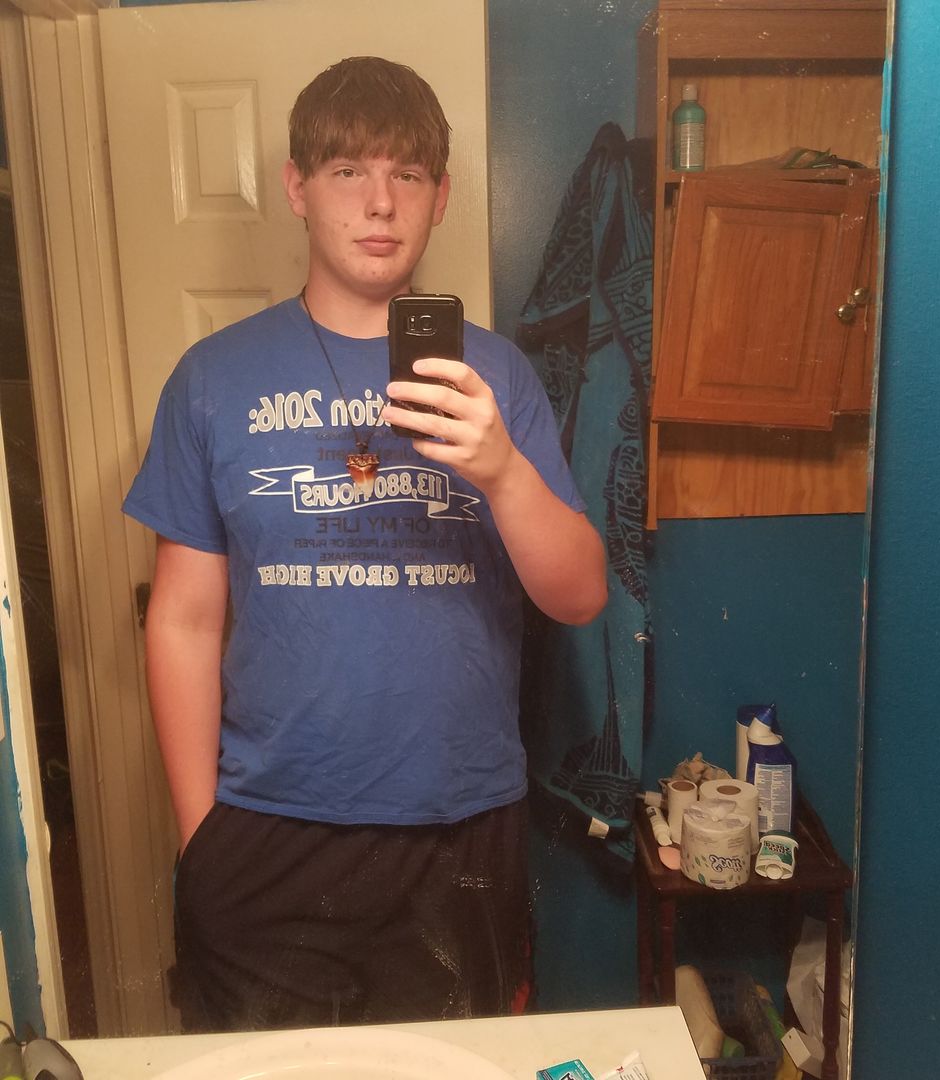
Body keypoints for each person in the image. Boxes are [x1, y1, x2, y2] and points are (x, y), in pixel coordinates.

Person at [123, 55, 606, 1033]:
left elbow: (581, 596)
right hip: (266, 830)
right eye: (348, 171)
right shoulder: (212, 379)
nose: (380, 202)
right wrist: (200, 837)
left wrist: (505, 472)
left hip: (459, 829)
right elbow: (183, 620)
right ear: (297, 188)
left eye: (408, 174)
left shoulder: (497, 378)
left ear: (441, 197)